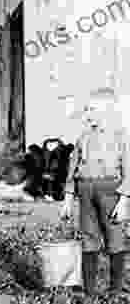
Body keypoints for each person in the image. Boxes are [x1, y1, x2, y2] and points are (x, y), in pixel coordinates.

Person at [60, 87, 130, 297]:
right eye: (87, 109)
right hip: (85, 193)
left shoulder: (121, 137)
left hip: (111, 192)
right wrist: (68, 200)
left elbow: (129, 170)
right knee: (88, 237)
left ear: (108, 110)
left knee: (114, 237)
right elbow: (72, 170)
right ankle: (90, 291)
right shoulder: (82, 138)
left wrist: (124, 201)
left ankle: (115, 290)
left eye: (92, 109)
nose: (88, 113)